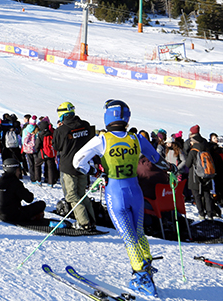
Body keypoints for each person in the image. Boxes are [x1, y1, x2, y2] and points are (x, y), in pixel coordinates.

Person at [73, 100, 166, 297]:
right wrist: (172, 169)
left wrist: (94, 171)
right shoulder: (136, 138)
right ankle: (145, 269)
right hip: (136, 192)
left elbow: (77, 161)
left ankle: (141, 276)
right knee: (139, 233)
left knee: (128, 237)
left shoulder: (102, 139)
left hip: (116, 193)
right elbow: (158, 160)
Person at [53, 101, 96, 231]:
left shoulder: (61, 130)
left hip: (68, 167)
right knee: (81, 193)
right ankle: (91, 221)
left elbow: (56, 146)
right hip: (83, 165)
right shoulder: (85, 125)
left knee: (72, 196)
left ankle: (84, 222)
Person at [0, 159, 46, 223]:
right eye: (18, 170)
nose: (19, 173)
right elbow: (29, 198)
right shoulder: (14, 182)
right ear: (14, 170)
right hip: (13, 216)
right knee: (41, 204)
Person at [185, 125, 217, 221]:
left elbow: (188, 164)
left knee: (197, 195)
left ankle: (201, 214)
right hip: (207, 174)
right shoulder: (206, 145)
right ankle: (210, 214)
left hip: (195, 176)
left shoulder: (193, 150)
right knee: (207, 194)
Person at [35, 117, 58, 187]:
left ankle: (38, 180)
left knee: (37, 165)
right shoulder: (51, 133)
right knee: (50, 167)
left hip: (42, 153)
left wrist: (37, 149)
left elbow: (37, 144)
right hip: (50, 153)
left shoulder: (40, 134)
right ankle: (50, 182)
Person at [21, 115, 38, 183]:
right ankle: (37, 177)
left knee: (31, 164)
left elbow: (23, 140)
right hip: (35, 148)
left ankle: (32, 177)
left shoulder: (25, 130)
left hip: (28, 149)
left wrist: (24, 146)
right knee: (36, 163)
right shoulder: (37, 129)